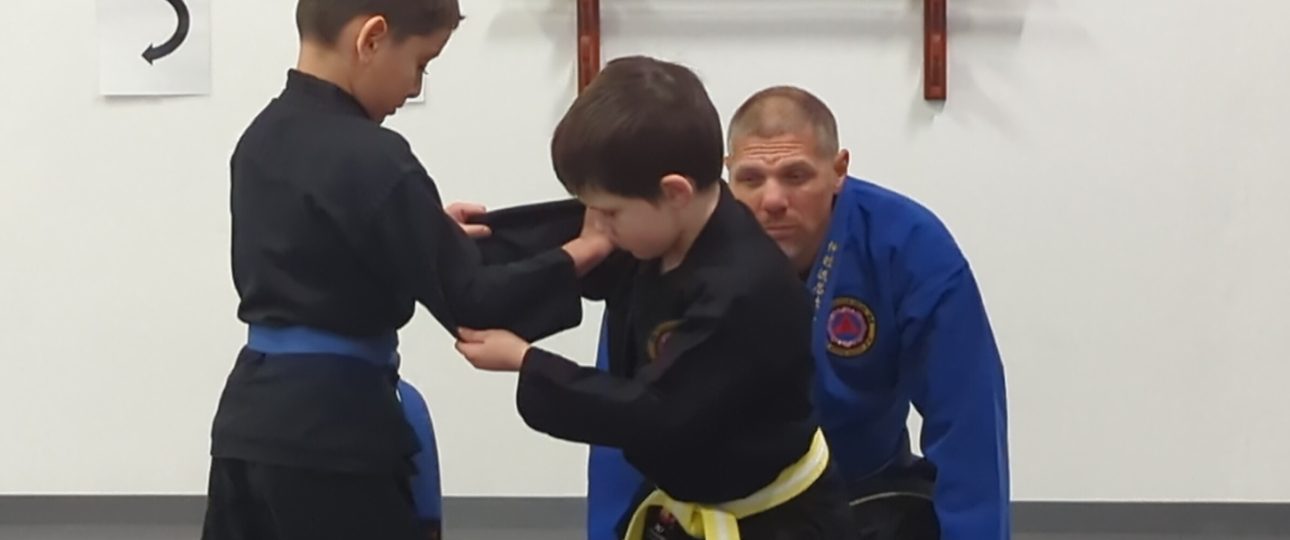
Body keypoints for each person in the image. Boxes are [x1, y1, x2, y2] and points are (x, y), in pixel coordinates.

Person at [200, 1, 610, 539]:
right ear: (371, 39)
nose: (415, 88)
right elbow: (475, 301)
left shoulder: (260, 138)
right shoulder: (375, 156)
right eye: (421, 63)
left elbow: (319, 247)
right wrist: (585, 249)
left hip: (247, 425)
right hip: (334, 437)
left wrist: (421, 231)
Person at [453, 56, 856, 540]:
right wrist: (447, 242)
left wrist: (526, 362)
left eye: (608, 212)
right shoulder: (663, 225)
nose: (598, 225)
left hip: (777, 523)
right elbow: (553, 237)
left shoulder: (744, 289)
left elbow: (654, 411)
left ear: (675, 192)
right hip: (686, 503)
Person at [586, 86, 1012, 540]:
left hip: (861, 498)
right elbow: (620, 418)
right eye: (752, 178)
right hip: (713, 501)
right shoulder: (673, 251)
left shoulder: (910, 248)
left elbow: (966, 422)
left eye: (796, 175)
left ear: (839, 170)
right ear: (727, 174)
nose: (773, 200)